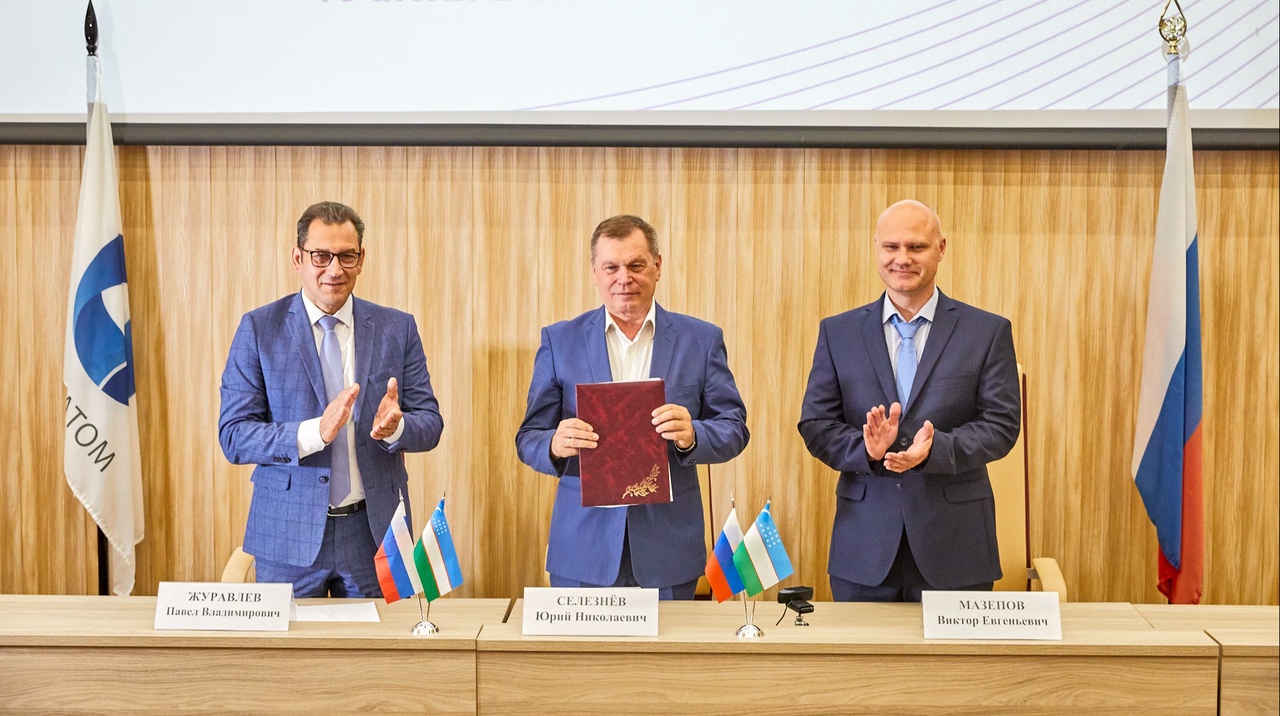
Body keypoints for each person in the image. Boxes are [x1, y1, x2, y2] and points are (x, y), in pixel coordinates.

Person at [516, 215, 749, 599]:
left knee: (667, 644)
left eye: (636, 265)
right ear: (594, 272)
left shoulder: (701, 340)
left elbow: (735, 428)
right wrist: (554, 444)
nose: (624, 278)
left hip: (669, 550)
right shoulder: (560, 341)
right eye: (611, 267)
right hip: (583, 551)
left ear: (658, 266)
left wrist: (693, 435)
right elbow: (528, 438)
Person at [798, 199, 1020, 602]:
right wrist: (866, 450)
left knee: (954, 650)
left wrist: (936, 450)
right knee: (863, 648)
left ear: (941, 249)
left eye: (916, 247)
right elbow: (816, 425)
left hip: (956, 546)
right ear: (876, 248)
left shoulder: (986, 332)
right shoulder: (838, 333)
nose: (902, 258)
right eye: (891, 246)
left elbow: (1001, 427)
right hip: (864, 548)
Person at [218, 201, 443, 597]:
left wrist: (397, 428)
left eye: (346, 256)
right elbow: (234, 436)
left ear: (361, 259)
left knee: (384, 640)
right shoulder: (259, 329)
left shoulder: (397, 328)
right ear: (298, 258)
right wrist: (313, 433)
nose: (334, 269)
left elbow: (431, 423)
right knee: (289, 642)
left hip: (373, 533)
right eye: (321, 256)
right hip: (286, 535)